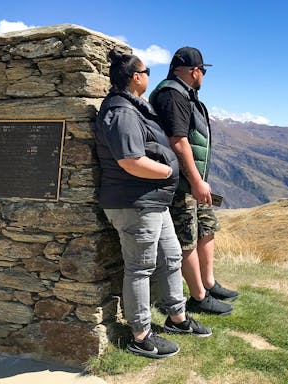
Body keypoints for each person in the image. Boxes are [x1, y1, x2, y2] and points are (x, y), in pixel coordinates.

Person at [94, 49, 211, 359]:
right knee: (140, 268)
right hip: (135, 203)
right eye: (146, 72)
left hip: (152, 202)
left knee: (171, 257)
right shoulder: (121, 112)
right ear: (136, 77)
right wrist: (168, 170)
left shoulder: (133, 107)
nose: (149, 76)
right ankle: (141, 335)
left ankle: (177, 318)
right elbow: (131, 160)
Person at [149, 47, 239, 316]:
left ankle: (208, 284)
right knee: (187, 237)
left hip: (195, 181)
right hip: (182, 183)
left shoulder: (186, 96)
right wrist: (196, 181)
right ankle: (198, 296)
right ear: (190, 71)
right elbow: (178, 141)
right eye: (202, 70)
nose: (203, 75)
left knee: (206, 228)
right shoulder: (172, 96)